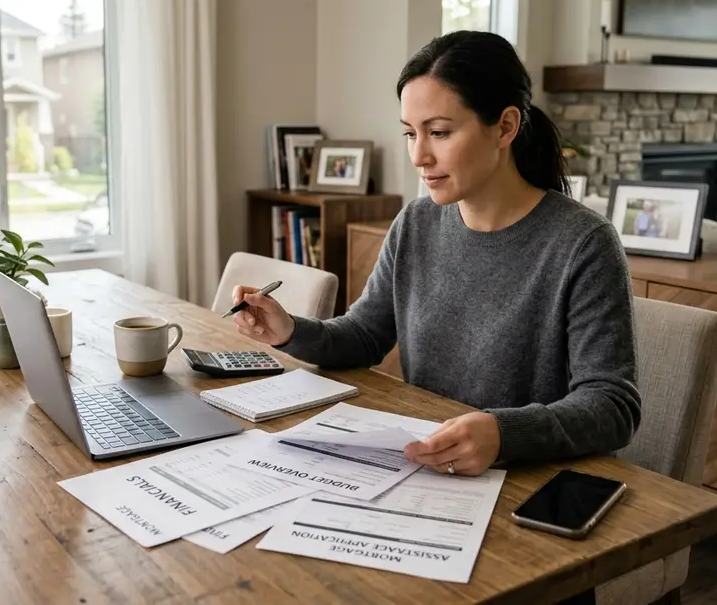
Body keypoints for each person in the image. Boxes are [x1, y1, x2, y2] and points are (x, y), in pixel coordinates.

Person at [230, 30, 641, 477]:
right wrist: (290, 330)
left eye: (439, 132)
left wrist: (503, 433)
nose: (419, 156)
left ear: (505, 126)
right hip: (426, 467)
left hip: (527, 481)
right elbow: (365, 335)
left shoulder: (583, 244)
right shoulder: (417, 223)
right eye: (410, 133)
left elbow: (611, 406)